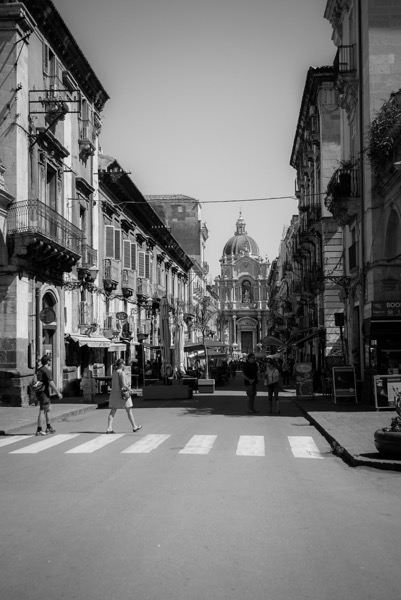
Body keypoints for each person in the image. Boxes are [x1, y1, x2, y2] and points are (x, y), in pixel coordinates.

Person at [106, 358, 142, 433]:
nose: (124, 365)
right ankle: (134, 426)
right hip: (123, 394)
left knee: (112, 411)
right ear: (121, 364)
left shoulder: (114, 372)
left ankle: (109, 428)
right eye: (124, 364)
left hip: (114, 394)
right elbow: (124, 384)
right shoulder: (122, 372)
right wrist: (129, 389)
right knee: (129, 410)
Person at [35, 355, 63, 436]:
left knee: (48, 409)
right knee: (42, 410)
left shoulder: (39, 370)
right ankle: (39, 429)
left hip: (40, 392)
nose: (50, 362)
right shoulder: (46, 370)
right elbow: (51, 382)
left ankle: (48, 427)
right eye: (50, 360)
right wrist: (58, 392)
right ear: (47, 361)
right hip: (44, 393)